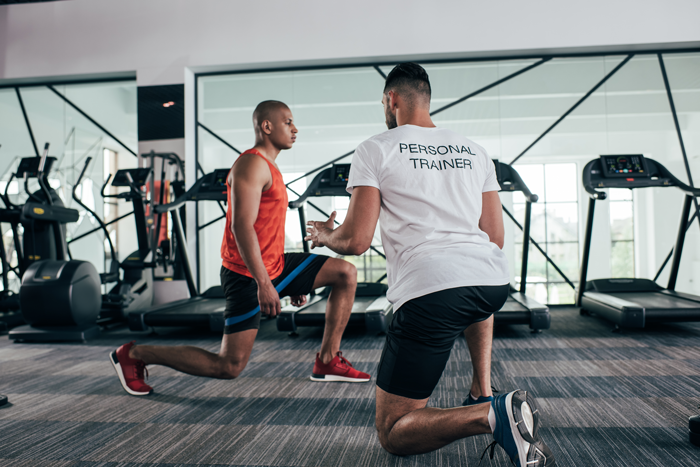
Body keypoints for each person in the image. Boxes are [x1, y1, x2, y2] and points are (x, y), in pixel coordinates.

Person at [305, 64, 555, 465]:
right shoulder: (474, 150)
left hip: (431, 289)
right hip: (491, 280)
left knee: (393, 432)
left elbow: (355, 239)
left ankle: (492, 413)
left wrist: (322, 236)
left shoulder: (376, 148)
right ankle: (482, 390)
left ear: (392, 99)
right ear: (426, 97)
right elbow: (494, 238)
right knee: (469, 276)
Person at [110, 100, 370, 396]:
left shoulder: (271, 167)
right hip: (246, 275)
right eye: (288, 122)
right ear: (266, 126)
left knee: (345, 273)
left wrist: (297, 281)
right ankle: (134, 354)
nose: (295, 129)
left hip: (275, 263)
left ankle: (327, 361)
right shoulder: (252, 164)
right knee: (229, 366)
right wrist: (264, 284)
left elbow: (266, 230)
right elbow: (241, 227)